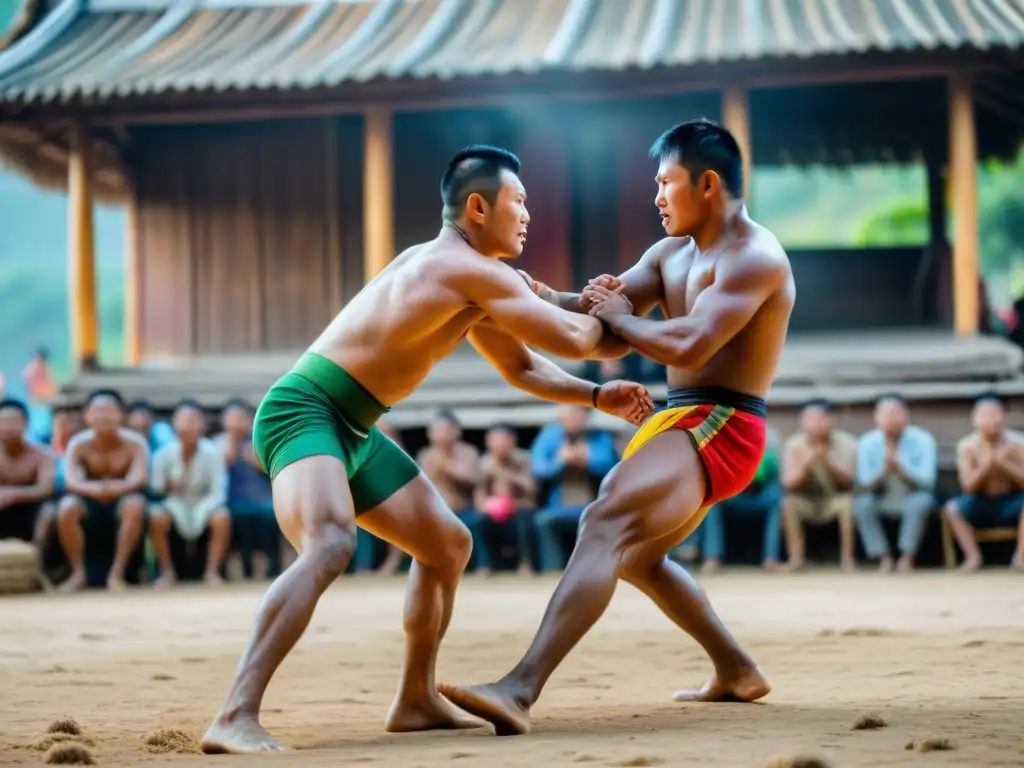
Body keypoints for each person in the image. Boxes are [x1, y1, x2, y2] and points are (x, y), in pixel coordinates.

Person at [200, 145, 654, 754]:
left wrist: (599, 391)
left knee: (446, 545)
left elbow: (525, 365)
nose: (527, 215)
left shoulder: (478, 276)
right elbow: (576, 338)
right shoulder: (461, 268)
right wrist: (622, 314)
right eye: (518, 201)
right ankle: (234, 714)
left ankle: (415, 698)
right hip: (304, 411)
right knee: (331, 543)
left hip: (354, 427)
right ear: (476, 206)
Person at [439, 118, 794, 735]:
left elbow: (688, 339)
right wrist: (536, 294)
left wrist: (622, 319)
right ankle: (736, 669)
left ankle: (519, 688)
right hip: (681, 419)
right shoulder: (669, 253)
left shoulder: (754, 258)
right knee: (636, 557)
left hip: (726, 422)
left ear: (707, 183)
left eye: (665, 183)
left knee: (604, 518)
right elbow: (600, 315)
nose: (656, 197)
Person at [56, 389, 150, 592]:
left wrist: (112, 489)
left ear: (121, 415)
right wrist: (97, 489)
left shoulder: (136, 443)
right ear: (87, 415)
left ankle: (117, 573)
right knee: (66, 507)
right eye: (97, 411)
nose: (103, 417)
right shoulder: (78, 444)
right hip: (89, 501)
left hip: (122, 501)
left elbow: (139, 479)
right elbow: (71, 482)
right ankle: (78, 573)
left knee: (135, 504)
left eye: (109, 411)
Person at [149, 399, 231, 587]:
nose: (190, 425)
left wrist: (201, 511)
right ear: (175, 424)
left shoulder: (213, 452)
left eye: (195, 420)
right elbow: (156, 489)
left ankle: (212, 572)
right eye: (185, 420)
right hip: (174, 503)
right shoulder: (163, 454)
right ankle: (167, 572)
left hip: (205, 503)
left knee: (221, 516)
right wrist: (169, 485)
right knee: (157, 516)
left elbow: (218, 492)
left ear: (203, 424)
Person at [944, 394, 1024, 571]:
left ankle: (1021, 556)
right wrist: (988, 464)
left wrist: (1005, 464)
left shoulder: (1018, 443)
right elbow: (967, 486)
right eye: (984, 415)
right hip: (980, 501)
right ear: (975, 419)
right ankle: (973, 556)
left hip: (1012, 500)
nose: (990, 419)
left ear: (1003, 417)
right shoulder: (967, 446)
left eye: (994, 414)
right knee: (953, 509)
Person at [0, 399, 56, 544]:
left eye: (13, 421)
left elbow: (46, 489)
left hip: (31, 513)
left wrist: (12, 494)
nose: (8, 427)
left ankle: (37, 561)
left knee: (49, 511)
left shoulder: (43, 454)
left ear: (26, 423)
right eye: (3, 422)